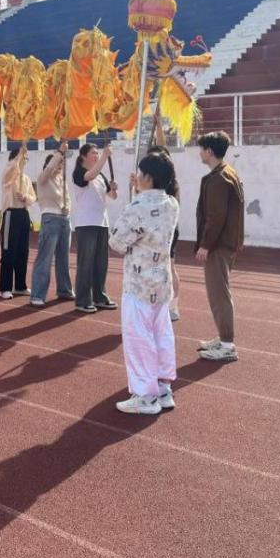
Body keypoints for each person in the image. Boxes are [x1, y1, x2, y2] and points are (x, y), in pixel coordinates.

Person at [108, 152, 180, 415]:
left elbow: (116, 242)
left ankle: (145, 396)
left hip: (139, 285)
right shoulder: (172, 204)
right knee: (162, 335)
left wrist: (135, 199)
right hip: (161, 284)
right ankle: (162, 388)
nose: (137, 177)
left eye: (140, 173)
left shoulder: (137, 207)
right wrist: (137, 194)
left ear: (147, 177)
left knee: (139, 339)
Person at [194, 131, 245, 362]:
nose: (199, 153)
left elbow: (216, 217)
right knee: (220, 292)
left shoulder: (218, 179)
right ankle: (223, 337)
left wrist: (205, 245)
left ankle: (227, 345)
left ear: (209, 151)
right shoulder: (228, 172)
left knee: (219, 294)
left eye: (201, 149)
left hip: (219, 246)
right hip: (227, 243)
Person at [72, 143, 118, 314]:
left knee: (101, 263)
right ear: (83, 156)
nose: (96, 155)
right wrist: (105, 156)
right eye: (93, 153)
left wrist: (113, 189)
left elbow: (112, 196)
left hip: (102, 223)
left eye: (98, 153)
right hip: (86, 223)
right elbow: (89, 176)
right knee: (86, 263)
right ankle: (83, 300)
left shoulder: (101, 175)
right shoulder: (79, 172)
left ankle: (100, 296)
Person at [30, 142, 74, 308]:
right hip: (50, 219)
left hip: (64, 220)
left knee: (64, 258)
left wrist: (67, 209)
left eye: (62, 163)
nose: (60, 165)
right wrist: (59, 153)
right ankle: (37, 294)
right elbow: (49, 168)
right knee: (45, 258)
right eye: (58, 163)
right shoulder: (44, 178)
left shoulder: (63, 181)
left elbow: (68, 200)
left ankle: (64, 289)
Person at [148, 144, 182, 322]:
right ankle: (161, 306)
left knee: (168, 267)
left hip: (166, 229)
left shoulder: (167, 182)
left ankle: (173, 306)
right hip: (157, 229)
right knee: (159, 268)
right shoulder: (163, 179)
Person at [0, 147, 36, 299]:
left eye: (25, 158)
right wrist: (19, 155)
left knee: (23, 251)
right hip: (10, 214)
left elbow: (33, 197)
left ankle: (20, 285)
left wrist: (26, 198)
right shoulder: (8, 173)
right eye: (22, 158)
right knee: (8, 251)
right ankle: (5, 287)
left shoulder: (25, 179)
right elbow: (11, 171)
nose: (24, 160)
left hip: (23, 214)